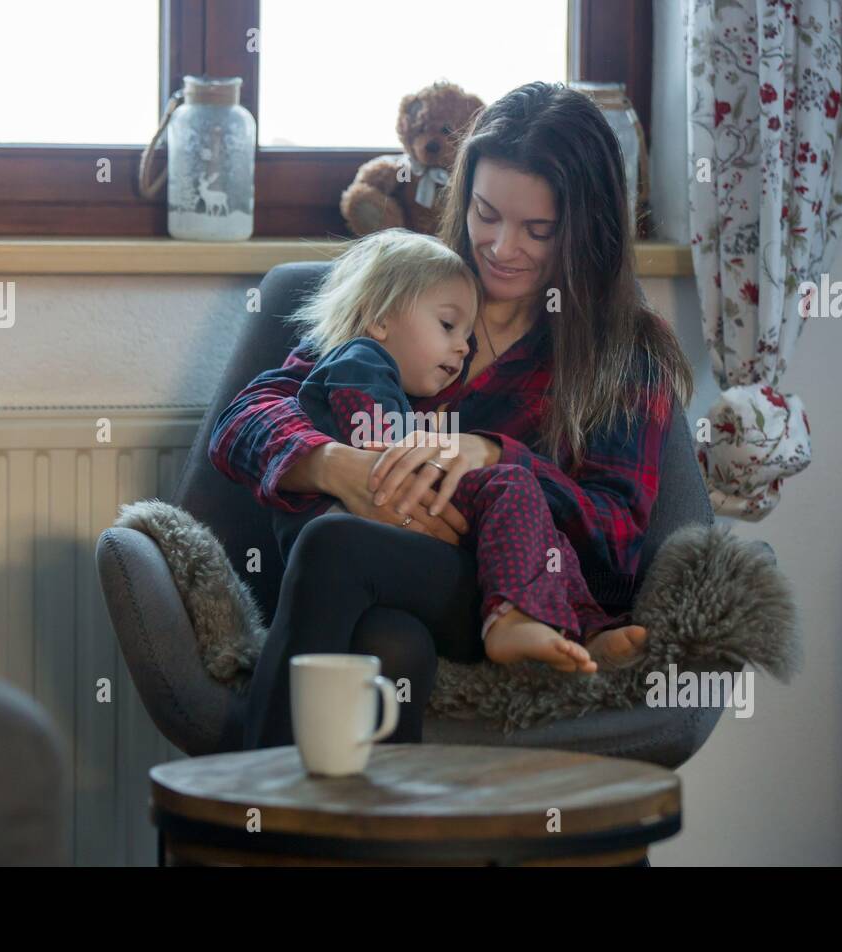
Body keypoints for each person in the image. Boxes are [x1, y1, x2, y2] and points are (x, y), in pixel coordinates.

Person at [209, 81, 695, 749]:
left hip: (504, 589)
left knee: (332, 545)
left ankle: (246, 821)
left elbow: (617, 542)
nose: (500, 246)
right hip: (380, 582)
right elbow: (246, 418)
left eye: (538, 230)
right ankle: (348, 841)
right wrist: (336, 466)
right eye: (486, 213)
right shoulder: (411, 283)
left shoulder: (626, 353)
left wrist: (494, 454)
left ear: (587, 229)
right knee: (390, 641)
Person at [266, 226, 649, 674]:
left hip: (382, 538)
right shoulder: (360, 360)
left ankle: (577, 628)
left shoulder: (625, 352)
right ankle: (516, 616)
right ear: (381, 318)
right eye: (448, 325)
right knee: (510, 485)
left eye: (467, 334)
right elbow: (388, 450)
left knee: (533, 525)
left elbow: (618, 532)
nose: (464, 347)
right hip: (338, 528)